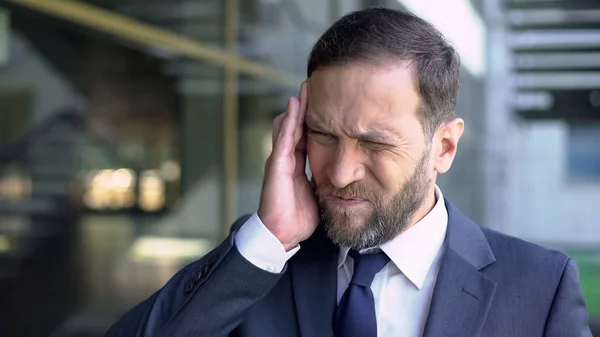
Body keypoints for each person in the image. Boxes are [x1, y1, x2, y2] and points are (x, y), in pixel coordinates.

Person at [105, 8, 592, 337]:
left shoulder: (539, 289)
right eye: (321, 135)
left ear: (443, 147)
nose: (339, 173)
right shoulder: (259, 264)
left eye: (375, 142)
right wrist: (269, 238)